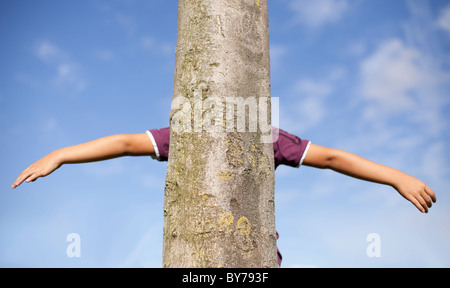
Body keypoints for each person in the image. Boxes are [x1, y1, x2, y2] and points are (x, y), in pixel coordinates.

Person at [11, 126, 437, 266]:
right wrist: (60, 155)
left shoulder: (266, 137)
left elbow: (330, 158)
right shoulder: (189, 134)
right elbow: (125, 143)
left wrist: (398, 177)